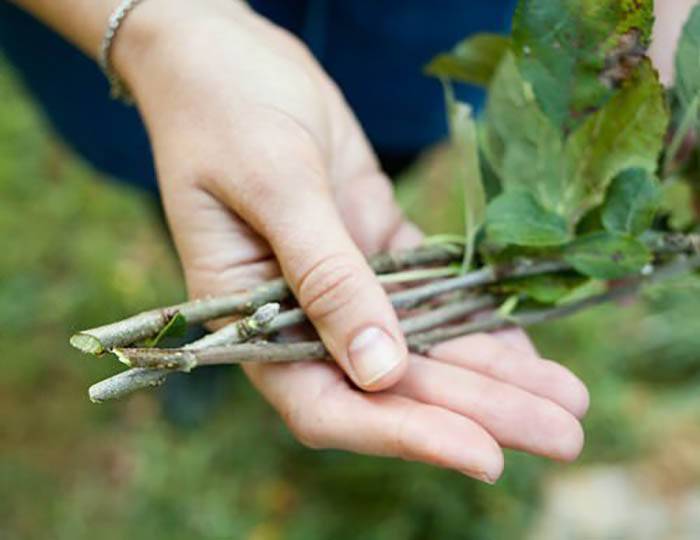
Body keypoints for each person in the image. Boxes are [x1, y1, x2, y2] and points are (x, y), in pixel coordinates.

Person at [1, 0, 690, 483]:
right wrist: (157, 29)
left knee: (358, 177)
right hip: (143, 43)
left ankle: (206, 339)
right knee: (196, 194)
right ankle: (194, 335)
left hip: (408, 40)